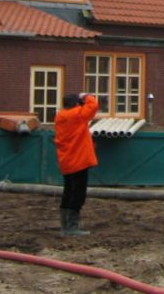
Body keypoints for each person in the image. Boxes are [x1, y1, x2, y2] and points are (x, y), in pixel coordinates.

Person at [54, 92, 99, 237]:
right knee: (78, 194)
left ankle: (65, 225)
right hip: (79, 161)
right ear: (76, 104)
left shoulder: (60, 116)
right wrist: (87, 96)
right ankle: (72, 227)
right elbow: (93, 105)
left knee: (68, 192)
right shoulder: (76, 115)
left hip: (67, 161)